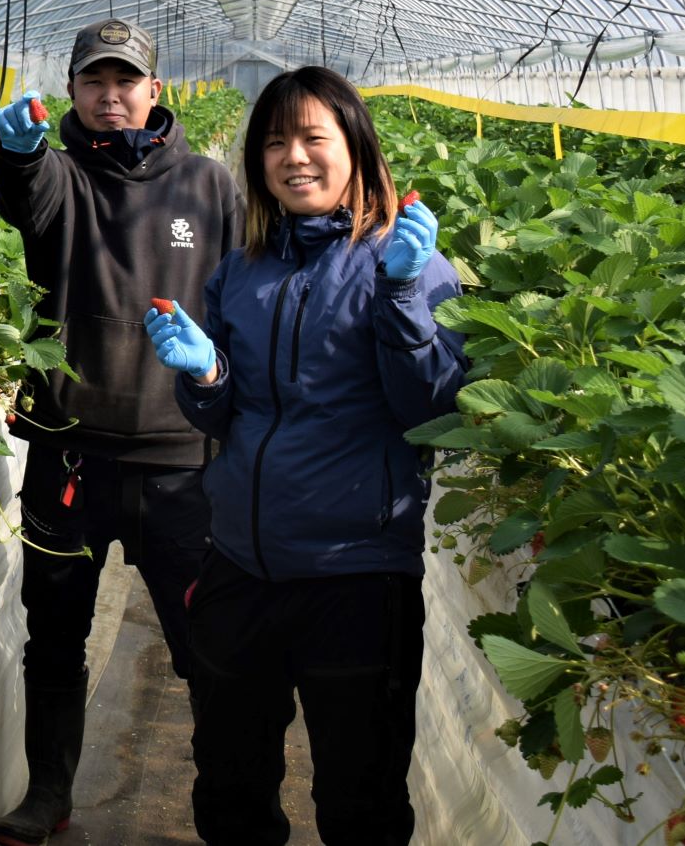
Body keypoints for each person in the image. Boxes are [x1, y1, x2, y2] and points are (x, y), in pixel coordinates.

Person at [143, 65, 464, 846]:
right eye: (276, 142)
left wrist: (397, 300)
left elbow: (432, 412)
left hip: (355, 576)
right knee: (229, 785)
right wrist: (207, 372)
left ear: (355, 147)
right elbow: (223, 414)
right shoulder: (243, 270)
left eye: (314, 138)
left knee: (360, 799)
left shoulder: (410, 264)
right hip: (241, 567)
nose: (295, 157)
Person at [0, 19, 242, 846]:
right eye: (94, 82)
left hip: (182, 463)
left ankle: (226, 801)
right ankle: (49, 793)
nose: (110, 95)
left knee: (207, 648)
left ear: (155, 91)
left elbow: (242, 295)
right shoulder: (59, 178)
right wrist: (18, 155)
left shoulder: (209, 185)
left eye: (125, 80)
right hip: (71, 458)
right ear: (70, 94)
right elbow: (26, 194)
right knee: (53, 637)